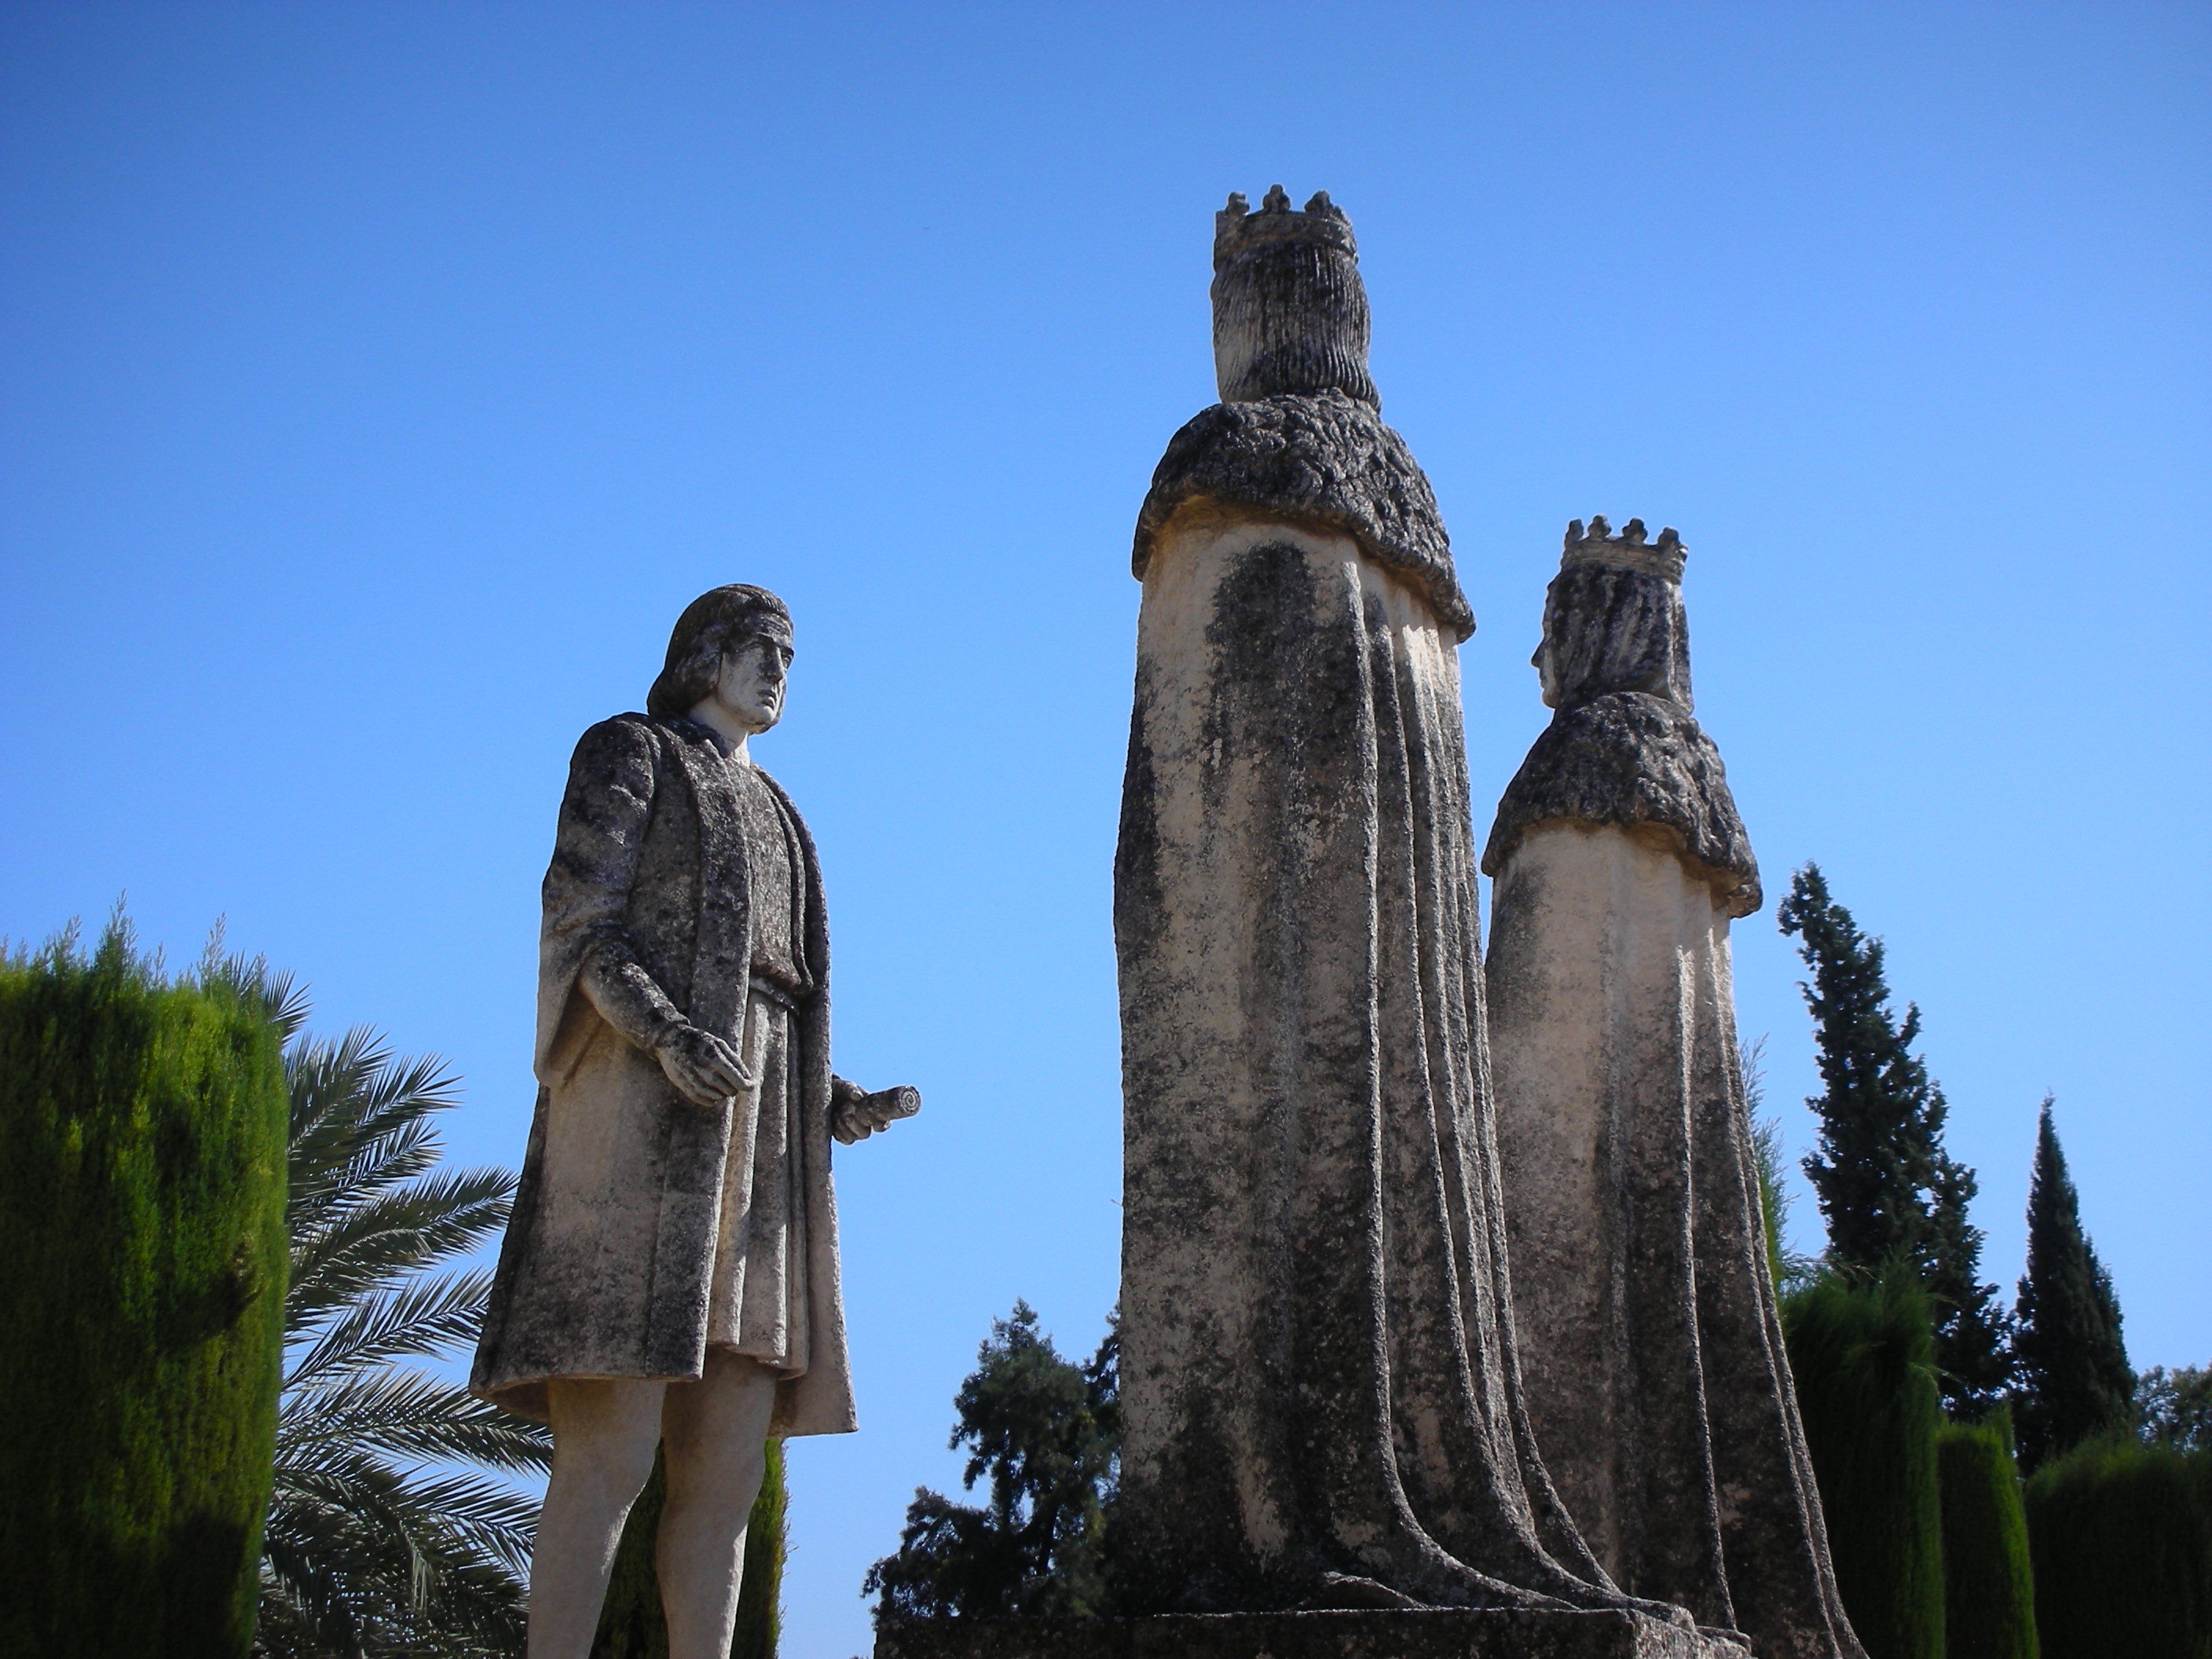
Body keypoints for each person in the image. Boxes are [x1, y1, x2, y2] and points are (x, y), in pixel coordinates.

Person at [471, 584, 917, 1659]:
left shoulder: (785, 813)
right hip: (640, 1134)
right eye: (758, 650)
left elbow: (779, 994)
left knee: (723, 1468)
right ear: (702, 656)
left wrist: (830, 1098)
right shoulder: (630, 752)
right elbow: (584, 928)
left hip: (762, 1144)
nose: (776, 673)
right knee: (611, 1457)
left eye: (789, 658)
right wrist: (664, 1033)